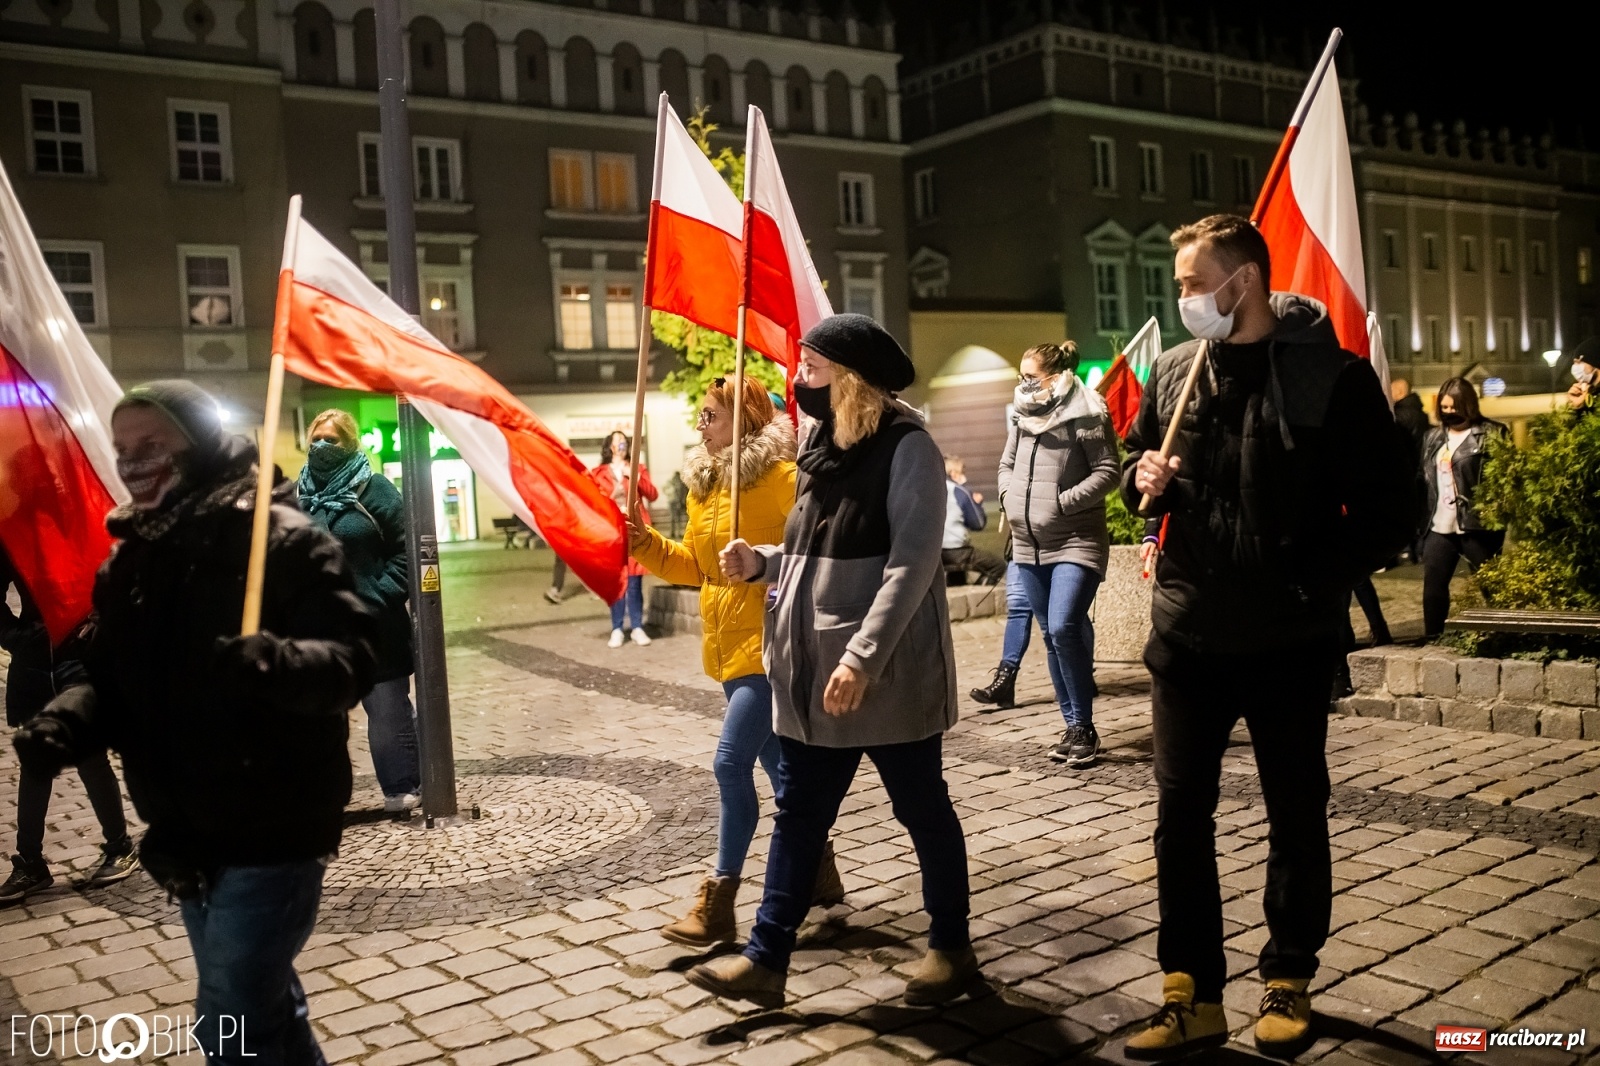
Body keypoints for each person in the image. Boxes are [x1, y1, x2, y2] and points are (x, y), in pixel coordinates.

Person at [11, 380, 375, 1065]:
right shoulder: (131, 561)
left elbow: (353, 661)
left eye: (153, 445)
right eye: (123, 449)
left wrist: (275, 663)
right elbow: (111, 679)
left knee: (229, 1017)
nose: (133, 462)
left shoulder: (285, 541)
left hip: (275, 823)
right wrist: (67, 721)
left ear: (199, 443)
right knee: (260, 1007)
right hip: (183, 828)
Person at [1120, 216, 1413, 1059]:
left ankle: (1288, 975)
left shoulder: (1333, 378)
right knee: (1182, 815)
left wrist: (1308, 583)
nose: (1181, 299)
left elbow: (1392, 513)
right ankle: (1191, 991)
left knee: (1295, 810)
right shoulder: (1176, 372)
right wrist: (1149, 485)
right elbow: (1143, 481)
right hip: (1188, 636)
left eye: (1189, 282)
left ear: (1241, 283)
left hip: (1288, 638)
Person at [691, 313, 978, 1008]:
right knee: (799, 814)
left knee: (923, 810)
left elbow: (910, 568)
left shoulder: (906, 446)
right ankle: (766, 958)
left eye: (812, 370)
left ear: (850, 379)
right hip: (816, 679)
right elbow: (817, 553)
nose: (798, 382)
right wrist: (763, 560)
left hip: (882, 678)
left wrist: (863, 656)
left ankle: (951, 949)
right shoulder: (824, 446)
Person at [629, 376, 843, 946]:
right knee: (781, 773)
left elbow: (817, 550)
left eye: (711, 415)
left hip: (771, 647)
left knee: (729, 764)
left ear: (744, 418)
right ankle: (819, 867)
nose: (700, 425)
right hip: (727, 648)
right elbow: (697, 568)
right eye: (699, 416)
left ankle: (719, 899)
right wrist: (647, 544)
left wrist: (762, 564)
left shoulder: (781, 478)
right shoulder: (702, 486)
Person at [997, 341, 1119, 767]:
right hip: (1028, 544)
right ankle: (1072, 726)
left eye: (1030, 377)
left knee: (1066, 625)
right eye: (1021, 377)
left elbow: (1108, 472)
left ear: (1054, 375)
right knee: (1050, 634)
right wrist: (1008, 497)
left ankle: (1084, 724)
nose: (1024, 384)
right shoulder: (1020, 413)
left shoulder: (1087, 411)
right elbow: (1006, 465)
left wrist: (1062, 503)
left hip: (1076, 540)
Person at [298, 409, 421, 814]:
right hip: (316, 630)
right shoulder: (298, 496)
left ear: (349, 444)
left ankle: (402, 788)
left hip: (374, 626)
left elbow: (407, 550)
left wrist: (379, 594)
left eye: (331, 440)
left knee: (387, 710)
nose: (321, 446)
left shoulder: (374, 489)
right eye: (316, 438)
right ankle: (323, 799)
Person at [1, 546, 137, 904]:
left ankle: (119, 846)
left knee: (90, 758)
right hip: (33, 666)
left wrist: (98, 623)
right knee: (34, 760)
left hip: (80, 658)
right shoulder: (13, 533)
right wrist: (16, 638)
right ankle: (30, 863)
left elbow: (125, 583)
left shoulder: (82, 517)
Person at [1421, 378, 1508, 637]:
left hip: (1477, 524)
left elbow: (1504, 479)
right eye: (1444, 408)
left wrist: (1496, 514)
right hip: (1439, 524)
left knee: (1491, 587)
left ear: (1468, 406)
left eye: (1454, 408)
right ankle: (1432, 639)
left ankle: (1503, 636)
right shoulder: (1433, 437)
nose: (1448, 413)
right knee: (1433, 587)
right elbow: (1423, 479)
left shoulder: (1492, 433)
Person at [591, 431, 657, 647]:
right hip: (612, 533)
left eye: (624, 442)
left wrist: (633, 475)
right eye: (618, 441)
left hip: (634, 531)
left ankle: (637, 626)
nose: (623, 445)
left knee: (634, 582)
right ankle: (617, 628)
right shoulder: (599, 473)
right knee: (617, 582)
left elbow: (652, 494)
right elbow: (593, 501)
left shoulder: (637, 467)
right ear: (610, 446)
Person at [941, 455, 1005, 585]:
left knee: (957, 578)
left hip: (937, 552)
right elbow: (978, 523)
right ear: (954, 474)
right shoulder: (959, 491)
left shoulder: (932, 489)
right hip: (957, 551)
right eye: (962, 472)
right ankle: (979, 593)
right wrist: (976, 503)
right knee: (998, 566)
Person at [1568, 337, 1598, 414]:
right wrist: (1579, 407)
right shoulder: (1589, 393)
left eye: (1579, 362)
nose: (1575, 367)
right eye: (1574, 363)